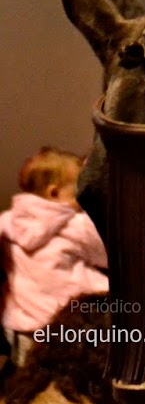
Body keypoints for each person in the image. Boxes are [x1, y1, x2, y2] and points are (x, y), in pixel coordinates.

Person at [0, 149, 108, 367]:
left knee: (31, 373)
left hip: (23, 325)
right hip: (69, 323)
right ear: (54, 193)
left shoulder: (7, 222)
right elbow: (108, 256)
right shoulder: (77, 226)